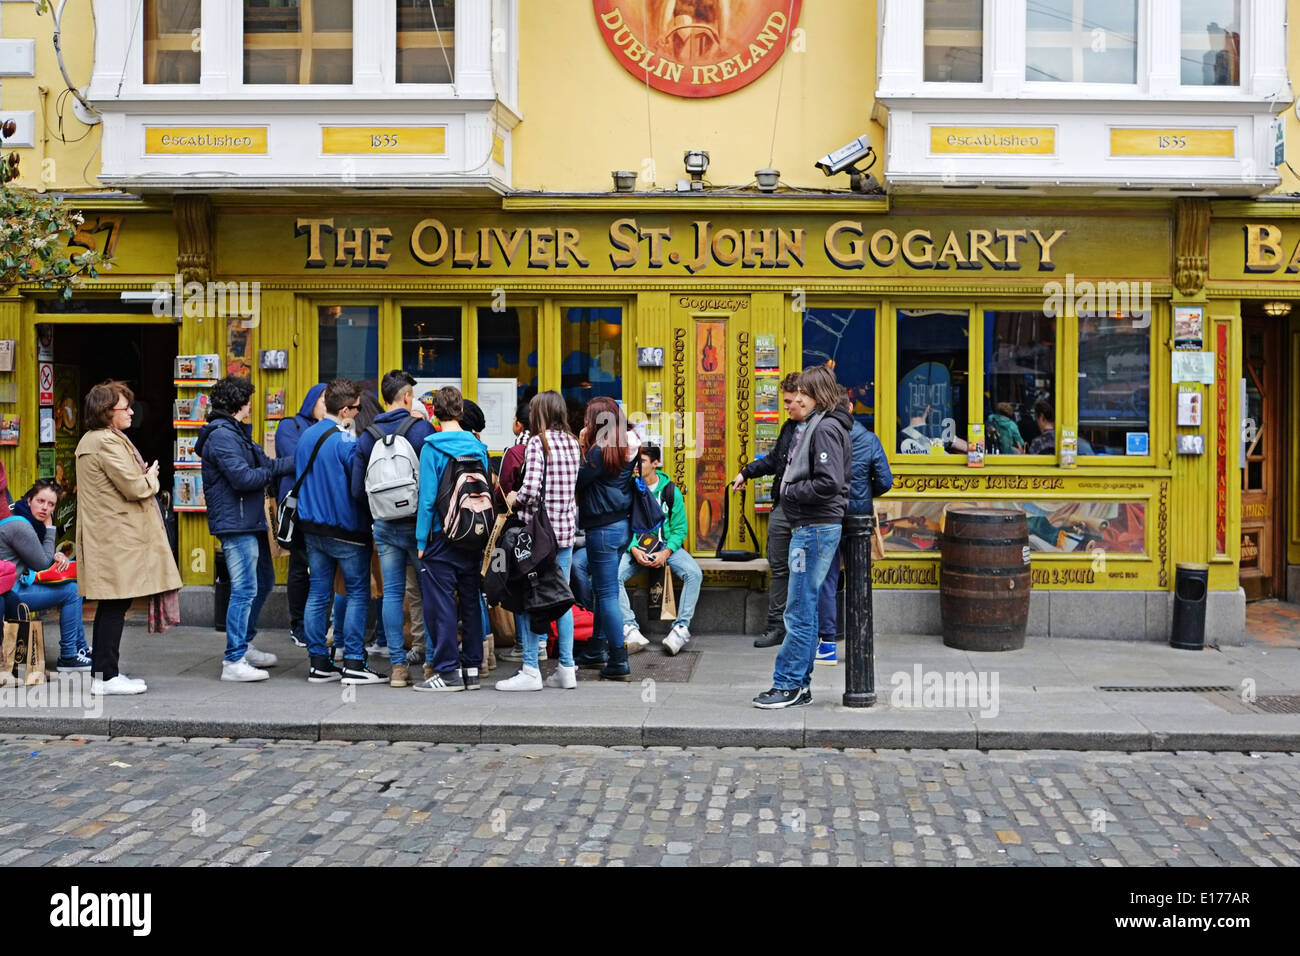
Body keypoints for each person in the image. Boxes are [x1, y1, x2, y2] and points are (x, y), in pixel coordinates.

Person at [75, 380, 184, 695]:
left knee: (115, 602)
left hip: (112, 536)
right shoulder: (105, 442)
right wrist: (151, 477)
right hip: (114, 537)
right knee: (114, 602)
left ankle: (106, 673)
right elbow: (134, 487)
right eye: (125, 408)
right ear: (107, 412)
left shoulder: (100, 440)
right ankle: (106, 676)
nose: (131, 412)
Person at [753, 366, 852, 710]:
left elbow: (829, 482)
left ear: (819, 395)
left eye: (804, 394)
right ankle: (799, 685)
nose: (797, 399)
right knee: (803, 608)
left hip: (813, 528)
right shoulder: (821, 425)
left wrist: (791, 492)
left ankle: (789, 684)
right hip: (812, 527)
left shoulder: (823, 428)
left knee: (797, 611)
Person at [196, 375, 294, 682]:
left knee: (263, 582)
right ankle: (233, 660)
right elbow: (243, 478)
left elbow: (266, 464)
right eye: (249, 400)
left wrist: (303, 458)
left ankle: (244, 643)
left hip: (249, 521)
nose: (252, 405)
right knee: (244, 589)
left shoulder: (236, 433)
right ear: (241, 404)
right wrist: (266, 471)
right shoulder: (222, 436)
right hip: (236, 523)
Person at [296, 379, 386, 685]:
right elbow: (359, 487)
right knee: (358, 592)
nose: (359, 413)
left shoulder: (307, 435)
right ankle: (354, 663)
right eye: (358, 409)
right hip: (347, 528)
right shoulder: (346, 442)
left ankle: (319, 662)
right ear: (346, 409)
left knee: (319, 592)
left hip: (312, 527)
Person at [349, 370, 435, 688]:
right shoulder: (421, 429)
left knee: (392, 594)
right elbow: (431, 482)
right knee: (428, 592)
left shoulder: (367, 434)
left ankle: (398, 667)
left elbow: (358, 489)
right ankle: (430, 663)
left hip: (383, 526)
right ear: (407, 397)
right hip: (418, 525)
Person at [496, 390, 581, 691]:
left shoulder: (537, 442)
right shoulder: (573, 443)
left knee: (531, 598)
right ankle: (567, 668)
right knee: (563, 598)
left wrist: (512, 496)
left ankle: (531, 668)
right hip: (565, 533)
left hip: (539, 537)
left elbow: (530, 490)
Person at [413, 386, 491, 692]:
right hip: (474, 533)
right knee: (471, 599)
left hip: (442, 535)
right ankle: (472, 667)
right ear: (459, 411)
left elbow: (428, 501)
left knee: (442, 603)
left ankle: (447, 672)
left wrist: (421, 542)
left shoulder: (432, 448)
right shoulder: (478, 447)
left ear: (435, 413)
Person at [812, 388, 894, 666]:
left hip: (829, 516)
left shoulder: (823, 434)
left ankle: (827, 645)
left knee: (828, 579)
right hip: (858, 519)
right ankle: (861, 641)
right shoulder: (869, 438)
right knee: (860, 579)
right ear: (851, 408)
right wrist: (865, 491)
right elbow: (885, 480)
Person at [730, 372, 803, 648]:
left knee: (805, 571)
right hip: (783, 507)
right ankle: (776, 627)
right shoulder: (788, 427)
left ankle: (803, 628)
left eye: (788, 401)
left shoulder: (820, 428)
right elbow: (774, 460)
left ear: (802, 396)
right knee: (780, 568)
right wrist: (747, 472)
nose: (785, 406)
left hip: (806, 511)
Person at [573, 396, 638, 681]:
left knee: (608, 593)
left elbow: (578, 480)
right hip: (622, 526)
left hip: (602, 529)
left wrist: (581, 445)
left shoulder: (599, 452)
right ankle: (596, 648)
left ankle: (618, 658)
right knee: (602, 589)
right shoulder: (628, 445)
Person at [617, 444, 701, 656]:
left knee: (693, 573)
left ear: (655, 464)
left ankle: (680, 630)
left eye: (642, 461)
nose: (636, 466)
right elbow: (623, 523)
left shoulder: (670, 490)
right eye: (635, 461)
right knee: (613, 576)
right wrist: (633, 548)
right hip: (637, 547)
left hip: (665, 547)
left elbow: (680, 528)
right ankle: (630, 629)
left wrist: (666, 552)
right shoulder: (629, 489)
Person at [0, 479, 90, 671]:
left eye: (51, 504)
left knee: (72, 588)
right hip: (11, 592)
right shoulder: (21, 525)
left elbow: (39, 558)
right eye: (40, 501)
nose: (45, 508)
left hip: (16, 585)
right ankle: (68, 656)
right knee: (72, 591)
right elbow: (41, 562)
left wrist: (53, 556)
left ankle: (80, 648)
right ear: (29, 499)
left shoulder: (21, 516)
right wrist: (50, 528)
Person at [496, 399, 549, 666]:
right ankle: (542, 643)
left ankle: (524, 645)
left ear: (519, 423)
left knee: (520, 583)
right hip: (549, 528)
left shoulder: (516, 451)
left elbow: (504, 491)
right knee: (542, 584)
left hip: (520, 527)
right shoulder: (553, 446)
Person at [274, 382, 326, 647]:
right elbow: (295, 458)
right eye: (323, 400)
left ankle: (317, 623)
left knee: (321, 566)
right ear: (311, 401)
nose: (328, 407)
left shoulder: (331, 428)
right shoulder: (289, 426)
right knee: (299, 565)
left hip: (323, 506)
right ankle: (298, 624)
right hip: (298, 506)